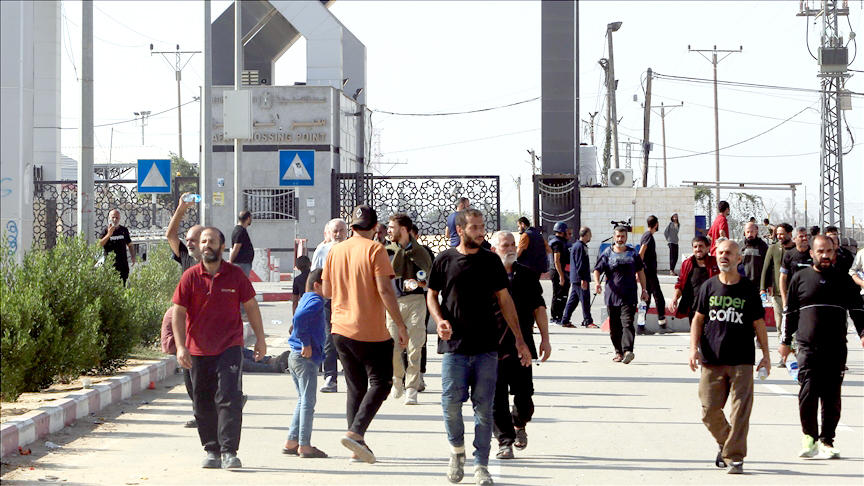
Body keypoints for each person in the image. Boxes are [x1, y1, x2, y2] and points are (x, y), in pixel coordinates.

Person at [427, 208, 532, 486]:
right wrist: (439, 321)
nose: (480, 231)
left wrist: (520, 339)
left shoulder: (490, 262)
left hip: (487, 349)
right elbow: (431, 295)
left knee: (483, 409)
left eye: (482, 226)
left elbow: (505, 300)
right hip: (454, 348)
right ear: (460, 230)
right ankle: (457, 452)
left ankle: (480, 465)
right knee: (450, 405)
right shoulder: (444, 260)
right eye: (474, 227)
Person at [172, 227, 266, 469]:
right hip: (198, 350)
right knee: (202, 401)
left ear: (222, 247)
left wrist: (260, 339)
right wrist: (181, 347)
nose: (206, 245)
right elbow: (178, 313)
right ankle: (211, 449)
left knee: (228, 397)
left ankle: (228, 451)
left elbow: (252, 307)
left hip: (229, 346)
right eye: (203, 241)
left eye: (212, 241)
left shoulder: (235, 275)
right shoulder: (190, 277)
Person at [322, 205, 408, 464]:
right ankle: (356, 432)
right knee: (382, 383)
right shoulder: (375, 249)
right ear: (374, 228)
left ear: (352, 227)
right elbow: (385, 290)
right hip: (368, 329)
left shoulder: (335, 250)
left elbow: (326, 291)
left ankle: (355, 445)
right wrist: (400, 325)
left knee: (355, 387)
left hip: (339, 328)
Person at [689, 239, 771, 475]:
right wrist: (693, 348)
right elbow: (698, 319)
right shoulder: (708, 286)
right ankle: (727, 442)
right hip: (712, 359)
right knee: (708, 410)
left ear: (739, 259)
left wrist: (766, 355)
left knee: (740, 411)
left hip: (741, 359)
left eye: (729, 254)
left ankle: (735, 457)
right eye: (721, 253)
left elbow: (759, 323)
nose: (724, 256)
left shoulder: (748, 289)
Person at [781, 235, 864, 459]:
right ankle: (809, 437)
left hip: (836, 346)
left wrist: (863, 332)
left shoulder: (844, 280)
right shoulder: (799, 278)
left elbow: (857, 310)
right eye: (820, 251)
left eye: (829, 251)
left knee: (831, 395)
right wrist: (785, 341)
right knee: (808, 390)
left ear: (834, 253)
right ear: (812, 253)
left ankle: (827, 440)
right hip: (807, 345)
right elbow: (789, 313)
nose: (825, 255)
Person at [489, 231, 551, 460]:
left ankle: (519, 423)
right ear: (494, 249)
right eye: (506, 245)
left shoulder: (526, 275)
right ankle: (504, 442)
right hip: (492, 348)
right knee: (496, 399)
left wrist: (545, 338)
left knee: (524, 397)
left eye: (513, 244)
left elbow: (539, 308)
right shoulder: (485, 275)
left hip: (522, 347)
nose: (511, 248)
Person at [164, 193, 205, 428]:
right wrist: (181, 208)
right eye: (188, 239)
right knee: (189, 375)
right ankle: (200, 413)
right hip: (188, 326)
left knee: (207, 373)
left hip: (208, 326)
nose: (188, 243)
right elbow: (170, 235)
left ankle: (226, 402)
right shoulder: (186, 259)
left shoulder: (213, 264)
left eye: (193, 239)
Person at [385, 213, 433, 405]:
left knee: (414, 346)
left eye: (391, 227)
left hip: (415, 301)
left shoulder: (422, 252)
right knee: (394, 346)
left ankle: (412, 387)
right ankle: (397, 379)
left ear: (403, 229)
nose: (388, 231)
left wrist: (419, 284)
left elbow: (430, 280)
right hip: (393, 303)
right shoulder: (386, 251)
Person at [283, 268, 329, 459]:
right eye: (329, 283)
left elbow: (298, 318)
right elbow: (299, 318)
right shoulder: (316, 300)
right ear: (317, 285)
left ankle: (292, 441)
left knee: (303, 400)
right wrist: (306, 343)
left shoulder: (307, 298)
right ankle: (304, 445)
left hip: (295, 356)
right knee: (308, 403)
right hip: (305, 357)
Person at [593, 226, 649, 364]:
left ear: (626, 238)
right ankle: (618, 351)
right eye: (618, 236)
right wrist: (596, 283)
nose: (620, 239)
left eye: (623, 236)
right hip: (612, 295)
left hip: (629, 295)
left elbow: (640, 271)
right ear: (614, 237)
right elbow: (597, 270)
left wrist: (644, 289)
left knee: (628, 322)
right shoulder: (607, 253)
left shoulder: (632, 254)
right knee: (615, 326)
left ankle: (628, 350)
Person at [311, 218, 348, 393]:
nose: (338, 234)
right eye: (335, 231)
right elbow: (314, 278)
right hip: (328, 302)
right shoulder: (322, 250)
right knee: (329, 339)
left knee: (349, 339)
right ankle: (330, 377)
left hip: (349, 301)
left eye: (341, 230)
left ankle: (351, 376)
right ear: (329, 232)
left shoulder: (352, 250)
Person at [760, 223, 795, 366]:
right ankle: (783, 356)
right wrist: (762, 288)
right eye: (777, 234)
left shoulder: (797, 250)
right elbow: (766, 269)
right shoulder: (773, 249)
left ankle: (798, 353)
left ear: (790, 234)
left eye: (782, 234)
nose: (779, 236)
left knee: (796, 325)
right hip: (777, 294)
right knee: (780, 324)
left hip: (796, 293)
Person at [668, 236, 720, 322]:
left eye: (701, 246)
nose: (698, 249)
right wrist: (674, 299)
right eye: (695, 247)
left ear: (708, 248)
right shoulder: (687, 264)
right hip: (693, 308)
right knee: (695, 334)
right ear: (692, 249)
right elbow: (680, 284)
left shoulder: (715, 263)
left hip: (711, 307)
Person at [561, 227, 595, 328]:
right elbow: (580, 264)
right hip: (580, 278)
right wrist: (583, 279)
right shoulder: (580, 247)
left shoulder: (577, 245)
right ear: (586, 235)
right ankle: (588, 321)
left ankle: (565, 320)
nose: (591, 236)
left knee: (573, 300)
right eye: (590, 234)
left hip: (576, 278)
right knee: (585, 300)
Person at [639, 215, 667, 333]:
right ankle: (662, 325)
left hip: (648, 271)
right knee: (659, 298)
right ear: (656, 224)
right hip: (648, 272)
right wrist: (639, 269)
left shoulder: (647, 236)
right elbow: (641, 252)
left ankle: (641, 326)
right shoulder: (648, 236)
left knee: (647, 300)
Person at [98, 209, 136, 284]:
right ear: (109, 218)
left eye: (117, 218)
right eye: (113, 217)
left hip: (123, 264)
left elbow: (130, 244)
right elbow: (99, 244)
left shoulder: (124, 230)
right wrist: (109, 234)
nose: (115, 219)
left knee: (122, 284)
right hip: (110, 265)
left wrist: (133, 256)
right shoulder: (105, 231)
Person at [779, 227, 813, 308]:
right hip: (794, 297)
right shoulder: (789, 255)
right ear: (794, 239)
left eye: (806, 236)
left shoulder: (814, 253)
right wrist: (784, 300)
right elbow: (783, 278)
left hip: (811, 296)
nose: (805, 238)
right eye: (801, 236)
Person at [548, 222, 570, 324]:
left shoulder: (562, 242)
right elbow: (556, 261)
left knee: (563, 295)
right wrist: (561, 276)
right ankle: (555, 316)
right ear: (562, 232)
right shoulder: (557, 243)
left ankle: (560, 315)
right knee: (557, 295)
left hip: (562, 271)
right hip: (557, 271)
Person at [228, 210, 254, 277]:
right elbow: (236, 248)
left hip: (243, 264)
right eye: (251, 218)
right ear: (248, 218)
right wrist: (231, 261)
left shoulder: (240, 230)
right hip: (242, 264)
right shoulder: (240, 231)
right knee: (243, 284)